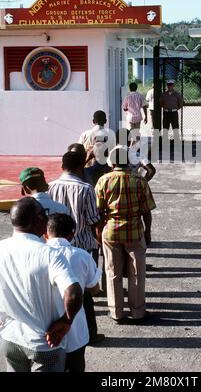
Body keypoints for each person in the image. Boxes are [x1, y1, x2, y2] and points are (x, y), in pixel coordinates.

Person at [0, 197, 82, 372]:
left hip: (10, 337)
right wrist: (66, 321)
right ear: (37, 219)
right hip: (45, 343)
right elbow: (73, 293)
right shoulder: (50, 254)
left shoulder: (1, 248)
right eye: (44, 214)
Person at [95, 146, 156, 323]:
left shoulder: (103, 181)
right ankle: (137, 311)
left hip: (111, 231)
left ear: (112, 162)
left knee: (112, 271)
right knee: (137, 271)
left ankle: (116, 312)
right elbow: (147, 211)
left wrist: (99, 232)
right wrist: (148, 231)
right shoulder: (139, 181)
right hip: (135, 231)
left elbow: (98, 211)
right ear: (128, 161)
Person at [48, 151, 101, 343]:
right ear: (81, 167)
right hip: (83, 247)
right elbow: (94, 220)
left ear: (62, 166)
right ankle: (89, 334)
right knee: (85, 295)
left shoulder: (50, 186)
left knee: (59, 292)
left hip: (54, 247)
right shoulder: (87, 188)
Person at [45, 213, 101, 371]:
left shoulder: (36, 255)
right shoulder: (82, 256)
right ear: (72, 235)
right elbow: (94, 289)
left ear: (45, 233)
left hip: (45, 333)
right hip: (75, 330)